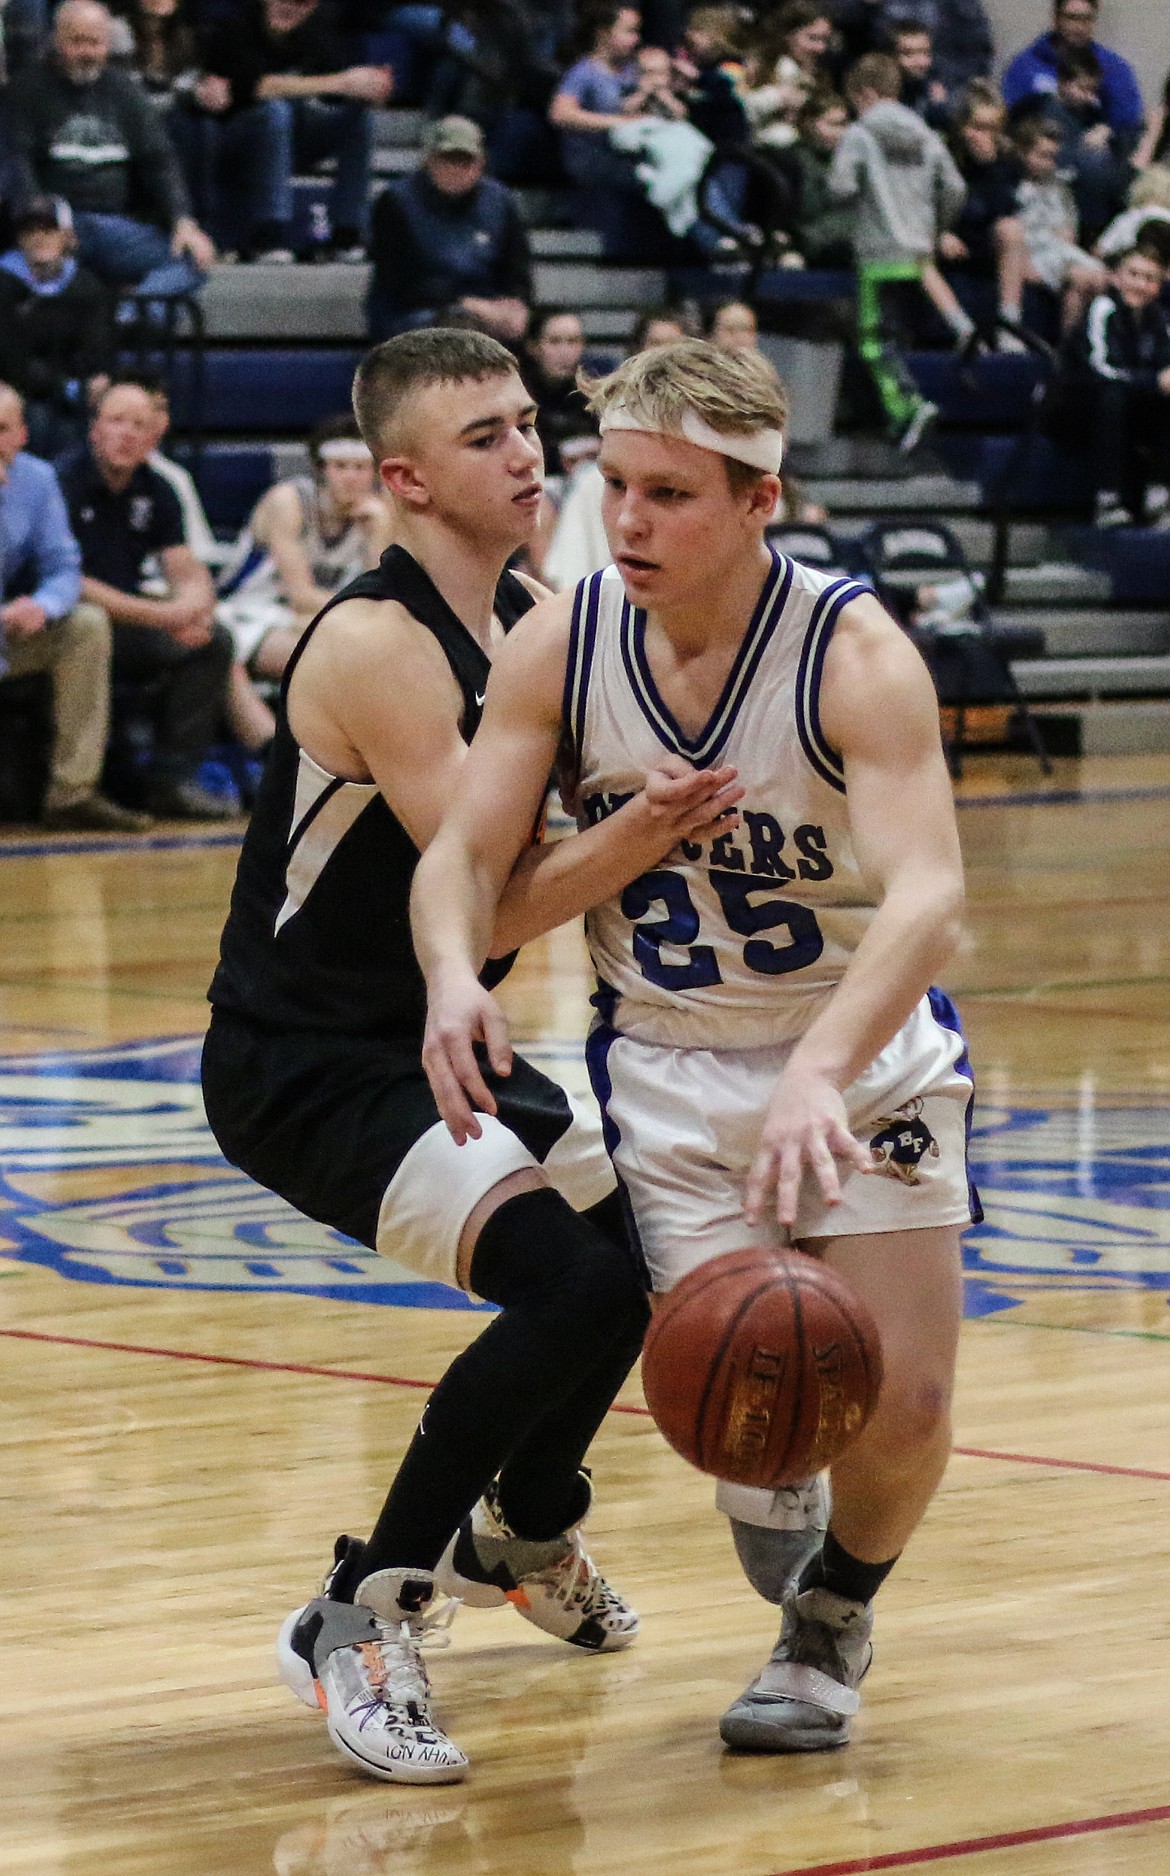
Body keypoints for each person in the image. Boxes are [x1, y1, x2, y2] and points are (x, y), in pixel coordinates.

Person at [411, 335, 975, 1757]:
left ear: (758, 502)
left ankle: (834, 1617)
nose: (629, 521)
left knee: (897, 1403)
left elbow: (931, 901)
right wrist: (448, 975)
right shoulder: (566, 636)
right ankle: (781, 1504)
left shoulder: (849, 652)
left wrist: (815, 1075)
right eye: (616, 487)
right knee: (759, 1399)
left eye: (668, 493)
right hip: (666, 1065)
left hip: (858, 1051)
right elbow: (463, 867)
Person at [200, 325, 744, 1784]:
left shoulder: (533, 608)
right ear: (403, 480)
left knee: (644, 1252)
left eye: (526, 424)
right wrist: (643, 825)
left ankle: (530, 1521)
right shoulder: (377, 644)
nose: (528, 453)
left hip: (439, 1033)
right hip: (308, 1061)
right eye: (490, 436)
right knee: (566, 1289)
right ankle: (361, 1608)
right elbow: (495, 890)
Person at [57, 378, 235, 819]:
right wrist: (163, 615)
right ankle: (79, 788)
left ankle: (172, 781)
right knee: (90, 625)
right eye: (116, 421)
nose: (127, 433)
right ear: (94, 428)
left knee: (212, 640)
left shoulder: (157, 488)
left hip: (129, 623)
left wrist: (192, 608)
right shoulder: (62, 481)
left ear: (153, 435)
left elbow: (186, 569)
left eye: (139, 425)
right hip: (67, 622)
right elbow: (70, 581)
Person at [0, 380, 151, 831]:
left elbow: (65, 568)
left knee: (85, 625)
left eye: (2, 428)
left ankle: (72, 793)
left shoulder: (37, 479)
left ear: (22, 435)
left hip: (9, 636)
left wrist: (43, 606)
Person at [6, 0, 213, 298]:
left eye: (95, 43)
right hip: (58, 226)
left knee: (195, 260)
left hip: (117, 228)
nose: (87, 53)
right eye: (76, 42)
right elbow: (17, 162)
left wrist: (183, 220)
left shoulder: (126, 92)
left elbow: (159, 161)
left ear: (108, 44)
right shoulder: (27, 91)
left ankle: (121, 320)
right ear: (55, 41)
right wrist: (40, 225)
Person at [216, 413, 394, 754]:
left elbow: (385, 595)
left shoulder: (379, 513)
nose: (350, 477)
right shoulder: (289, 502)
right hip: (248, 612)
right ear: (320, 469)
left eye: (360, 468)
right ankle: (279, 754)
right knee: (341, 654)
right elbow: (299, 596)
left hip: (318, 619)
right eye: (340, 466)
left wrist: (380, 532)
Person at [177, 0, 393, 262]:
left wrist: (371, 88)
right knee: (275, 112)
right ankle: (269, 233)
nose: (290, 7)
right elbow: (257, 87)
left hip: (294, 138)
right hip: (234, 138)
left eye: (301, 3)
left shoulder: (324, 27)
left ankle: (347, 232)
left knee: (359, 119)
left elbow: (345, 86)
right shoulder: (236, 25)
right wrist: (341, 82)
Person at [830, 52, 968, 445]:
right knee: (903, 337)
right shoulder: (926, 134)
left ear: (866, 94)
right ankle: (901, 419)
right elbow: (955, 188)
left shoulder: (860, 134)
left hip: (878, 253)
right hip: (919, 252)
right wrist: (936, 226)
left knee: (874, 342)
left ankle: (908, 408)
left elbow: (841, 187)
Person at [366, 116, 532, 342]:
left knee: (549, 334)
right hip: (414, 312)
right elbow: (398, 283)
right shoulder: (395, 202)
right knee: (457, 326)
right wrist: (466, 304)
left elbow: (517, 271)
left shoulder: (500, 202)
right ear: (429, 160)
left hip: (487, 312)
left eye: (465, 161)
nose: (456, 169)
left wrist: (515, 306)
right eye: (447, 159)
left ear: (480, 164)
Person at [1062, 245, 1170, 529]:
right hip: (1079, 404)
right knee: (1114, 396)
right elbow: (1101, 370)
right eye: (1134, 274)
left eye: (1150, 278)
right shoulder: (1102, 309)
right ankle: (1107, 499)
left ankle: (1159, 495)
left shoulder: (1159, 319)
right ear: (1116, 278)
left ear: (1158, 287)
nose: (1141, 284)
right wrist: (1154, 381)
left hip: (1130, 402)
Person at [0, 195, 113, 459]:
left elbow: (97, 348)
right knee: (36, 423)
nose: (39, 238)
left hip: (75, 393)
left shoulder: (87, 286)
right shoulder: (3, 284)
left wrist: (85, 384)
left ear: (67, 236)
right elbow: (10, 357)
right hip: (23, 393)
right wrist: (61, 385)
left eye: (48, 230)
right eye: (30, 231)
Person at [942, 82, 1029, 344]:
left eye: (992, 129)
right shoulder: (943, 156)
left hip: (984, 241)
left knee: (1011, 229)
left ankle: (1009, 325)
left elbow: (1004, 210)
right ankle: (963, 331)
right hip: (948, 239)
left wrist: (989, 166)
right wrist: (940, 233)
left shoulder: (1006, 161)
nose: (984, 136)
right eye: (977, 127)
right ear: (961, 126)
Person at [1002, 0, 1144, 158]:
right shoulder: (1027, 65)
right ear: (1056, 19)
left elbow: (1129, 118)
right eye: (1072, 18)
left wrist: (1107, 130)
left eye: (1087, 19)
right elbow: (1009, 113)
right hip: (1034, 154)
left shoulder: (1113, 68)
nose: (1079, 26)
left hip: (1087, 156)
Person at [1011, 116, 1107, 333]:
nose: (1049, 163)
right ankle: (1070, 350)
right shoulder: (1012, 186)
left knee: (1100, 278)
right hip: (1032, 255)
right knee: (1084, 276)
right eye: (1042, 156)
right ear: (1021, 151)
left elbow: (1068, 231)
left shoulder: (1058, 187)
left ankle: (1076, 343)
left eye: (1052, 157)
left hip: (1059, 253)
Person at [522, 309, 600, 480]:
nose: (564, 352)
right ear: (533, 347)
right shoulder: (519, 396)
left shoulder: (593, 393)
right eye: (554, 342)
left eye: (572, 342)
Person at [790, 89, 855, 265]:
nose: (839, 132)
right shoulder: (796, 160)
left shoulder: (850, 159)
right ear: (809, 124)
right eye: (832, 124)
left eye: (843, 124)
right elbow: (808, 212)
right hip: (817, 244)